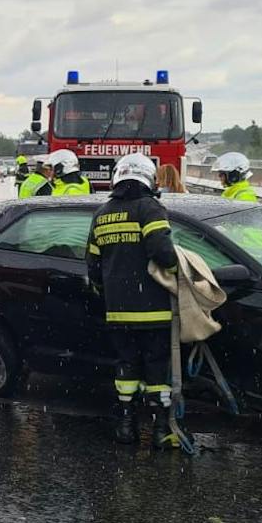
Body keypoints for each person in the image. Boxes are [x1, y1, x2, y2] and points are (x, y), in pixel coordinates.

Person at [87, 154, 180, 445]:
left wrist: (109, 294)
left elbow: (93, 266)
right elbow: (163, 253)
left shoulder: (102, 213)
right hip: (154, 312)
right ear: (149, 179)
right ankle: (162, 430)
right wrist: (181, 272)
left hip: (118, 312)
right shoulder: (150, 209)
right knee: (157, 369)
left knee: (126, 366)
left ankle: (126, 426)